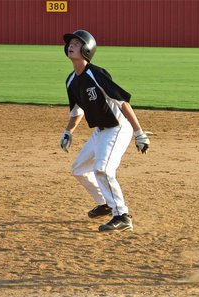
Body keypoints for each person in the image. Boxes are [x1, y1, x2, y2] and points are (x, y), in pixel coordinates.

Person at [59, 29, 150, 232]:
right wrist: (68, 132)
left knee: (103, 169)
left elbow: (122, 102)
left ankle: (122, 215)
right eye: (70, 43)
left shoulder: (96, 73)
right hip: (100, 131)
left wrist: (139, 132)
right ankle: (107, 204)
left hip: (117, 127)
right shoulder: (71, 80)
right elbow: (77, 111)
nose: (71, 45)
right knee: (79, 169)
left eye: (76, 42)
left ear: (87, 49)